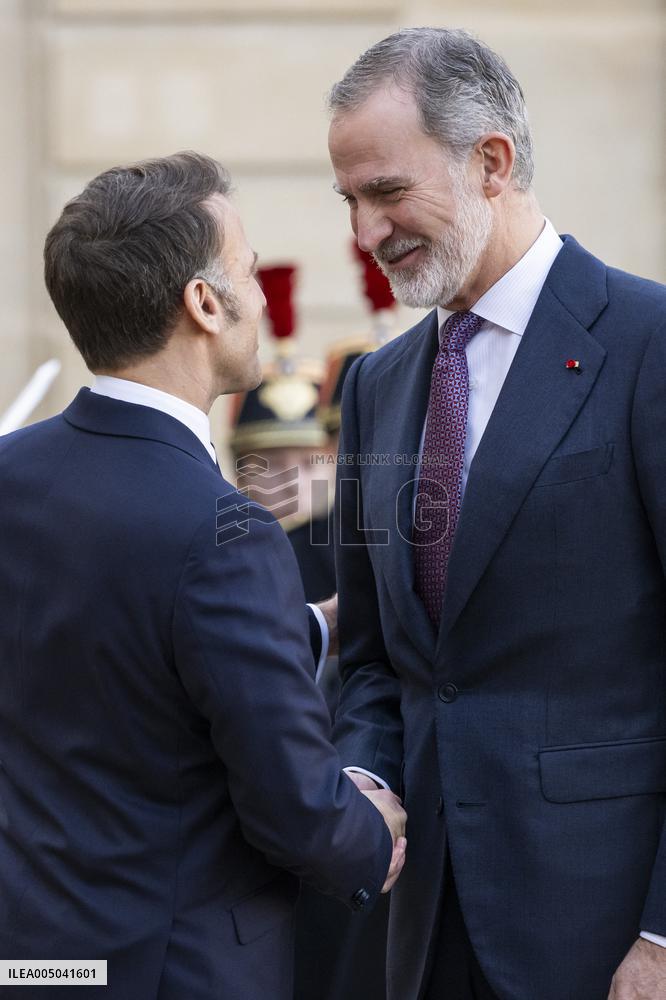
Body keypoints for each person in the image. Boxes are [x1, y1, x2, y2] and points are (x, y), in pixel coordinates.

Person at [0, 151, 407, 1000]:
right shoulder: (226, 530)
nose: (260, 297)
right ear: (204, 303)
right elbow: (296, 810)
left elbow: (101, 650)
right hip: (170, 972)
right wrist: (374, 835)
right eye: (251, 272)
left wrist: (317, 624)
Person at [326, 27, 666, 1000]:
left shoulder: (648, 345)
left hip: (607, 944)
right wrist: (370, 778)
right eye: (349, 199)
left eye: (387, 192)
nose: (365, 231)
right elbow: (378, 666)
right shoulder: (377, 387)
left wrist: (663, 936)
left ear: (492, 162)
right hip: (424, 933)